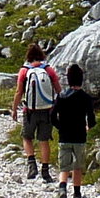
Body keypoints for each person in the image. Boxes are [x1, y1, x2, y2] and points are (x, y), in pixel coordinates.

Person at [12, 42, 62, 181]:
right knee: (44, 140)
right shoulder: (48, 70)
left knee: (27, 137)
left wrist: (14, 109)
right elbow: (58, 89)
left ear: (28, 56)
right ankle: (45, 171)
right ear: (41, 55)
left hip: (30, 111)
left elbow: (19, 92)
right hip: (47, 110)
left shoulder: (24, 71)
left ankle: (32, 164)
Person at [51, 63, 96, 198]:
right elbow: (92, 119)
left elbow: (52, 116)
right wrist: (88, 127)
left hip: (64, 136)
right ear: (81, 79)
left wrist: (59, 127)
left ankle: (62, 188)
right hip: (80, 137)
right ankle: (77, 197)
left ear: (68, 80)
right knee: (77, 167)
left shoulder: (62, 96)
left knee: (64, 167)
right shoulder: (86, 98)